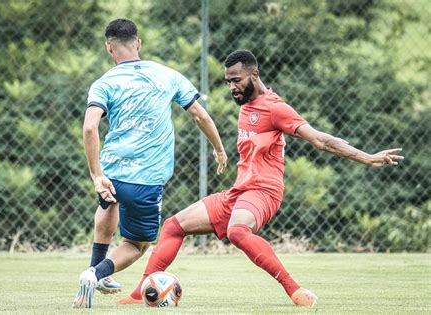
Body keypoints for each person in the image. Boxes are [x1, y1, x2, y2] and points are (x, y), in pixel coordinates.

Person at [117, 49, 404, 307]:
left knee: (237, 231)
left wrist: (366, 157)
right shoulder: (245, 105)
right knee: (173, 226)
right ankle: (138, 295)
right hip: (240, 191)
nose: (232, 87)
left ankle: (295, 291)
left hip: (264, 191)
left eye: (237, 80)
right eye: (228, 81)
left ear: (254, 75)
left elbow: (321, 140)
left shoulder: (276, 108)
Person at [72, 18, 228, 308]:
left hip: (111, 171)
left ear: (109, 48)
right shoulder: (168, 75)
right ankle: (97, 272)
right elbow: (200, 116)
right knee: (136, 245)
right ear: (139, 43)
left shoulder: (104, 83)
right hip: (146, 179)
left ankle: (97, 270)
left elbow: (90, 128)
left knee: (108, 203)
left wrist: (96, 175)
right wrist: (219, 150)